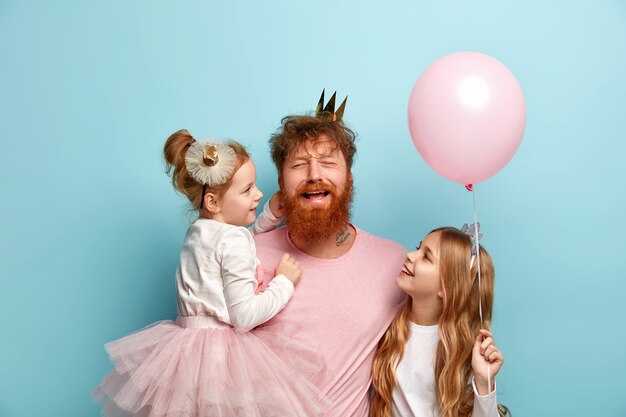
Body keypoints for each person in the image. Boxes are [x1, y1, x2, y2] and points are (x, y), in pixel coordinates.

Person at [92, 130, 329, 417]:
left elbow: (231, 243)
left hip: (185, 350)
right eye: (247, 190)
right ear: (213, 203)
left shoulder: (198, 231)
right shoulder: (234, 241)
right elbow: (244, 316)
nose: (259, 193)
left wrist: (267, 215)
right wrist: (283, 283)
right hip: (221, 358)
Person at [253, 91, 406, 417]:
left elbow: (428, 351)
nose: (313, 175)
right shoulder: (247, 256)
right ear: (281, 181)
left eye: (327, 163)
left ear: (348, 177)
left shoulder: (394, 263)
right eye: (298, 165)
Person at [370, 227, 509, 417]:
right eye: (418, 247)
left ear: (447, 287)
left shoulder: (461, 350)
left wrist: (484, 383)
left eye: (426, 257)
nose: (410, 255)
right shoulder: (387, 323)